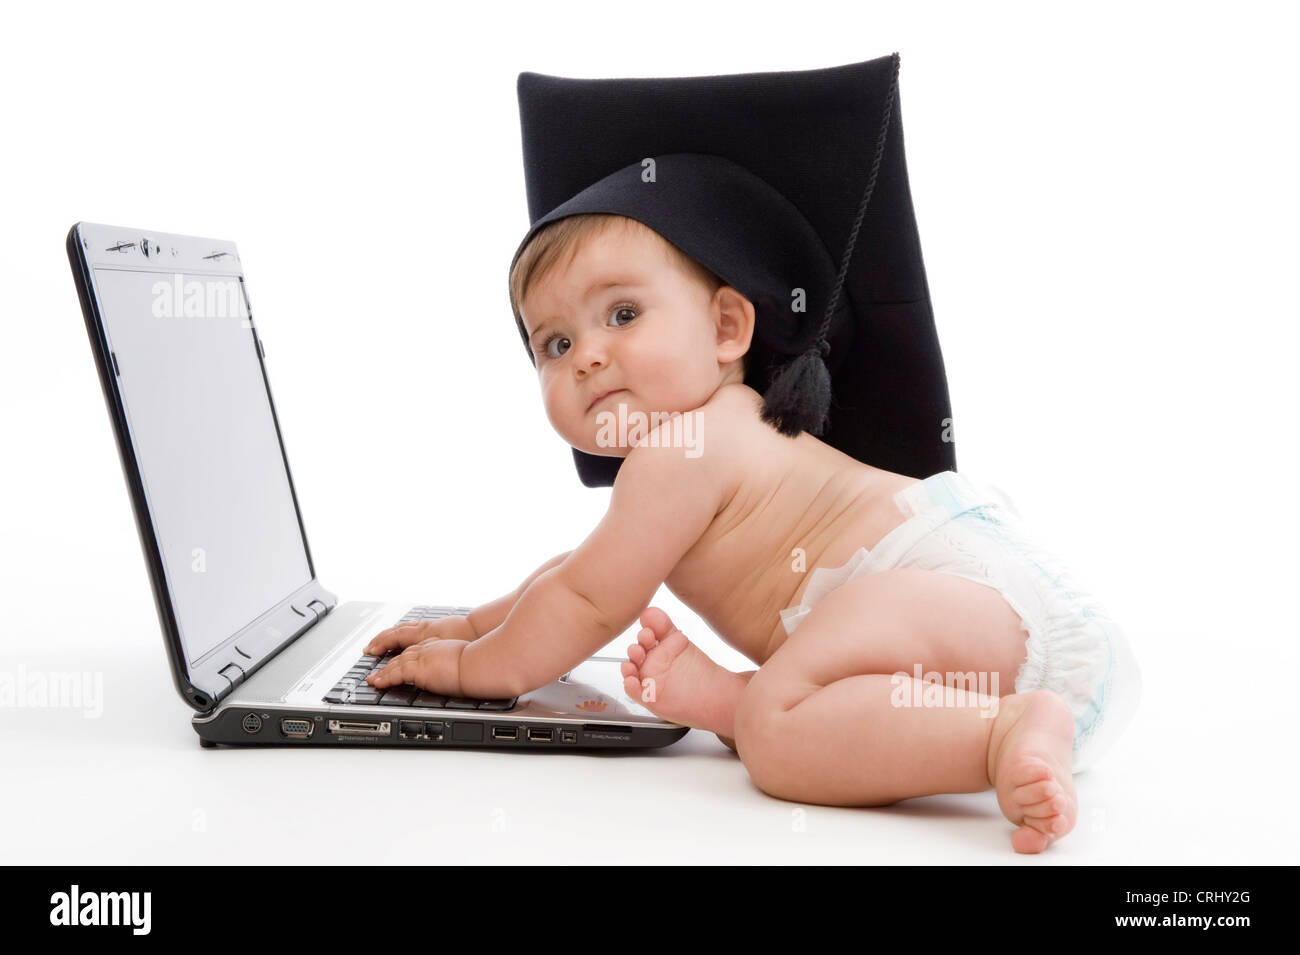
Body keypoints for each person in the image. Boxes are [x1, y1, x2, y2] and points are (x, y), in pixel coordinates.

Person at [363, 211, 1142, 853]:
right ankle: (771, 704)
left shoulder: (681, 451)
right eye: (554, 344)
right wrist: (471, 623)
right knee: (784, 709)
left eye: (623, 314)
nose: (587, 357)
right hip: (1013, 623)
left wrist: (472, 668)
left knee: (773, 733)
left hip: (970, 605)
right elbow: (580, 572)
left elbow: (589, 600)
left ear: (728, 327)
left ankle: (1002, 729)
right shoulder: (711, 438)